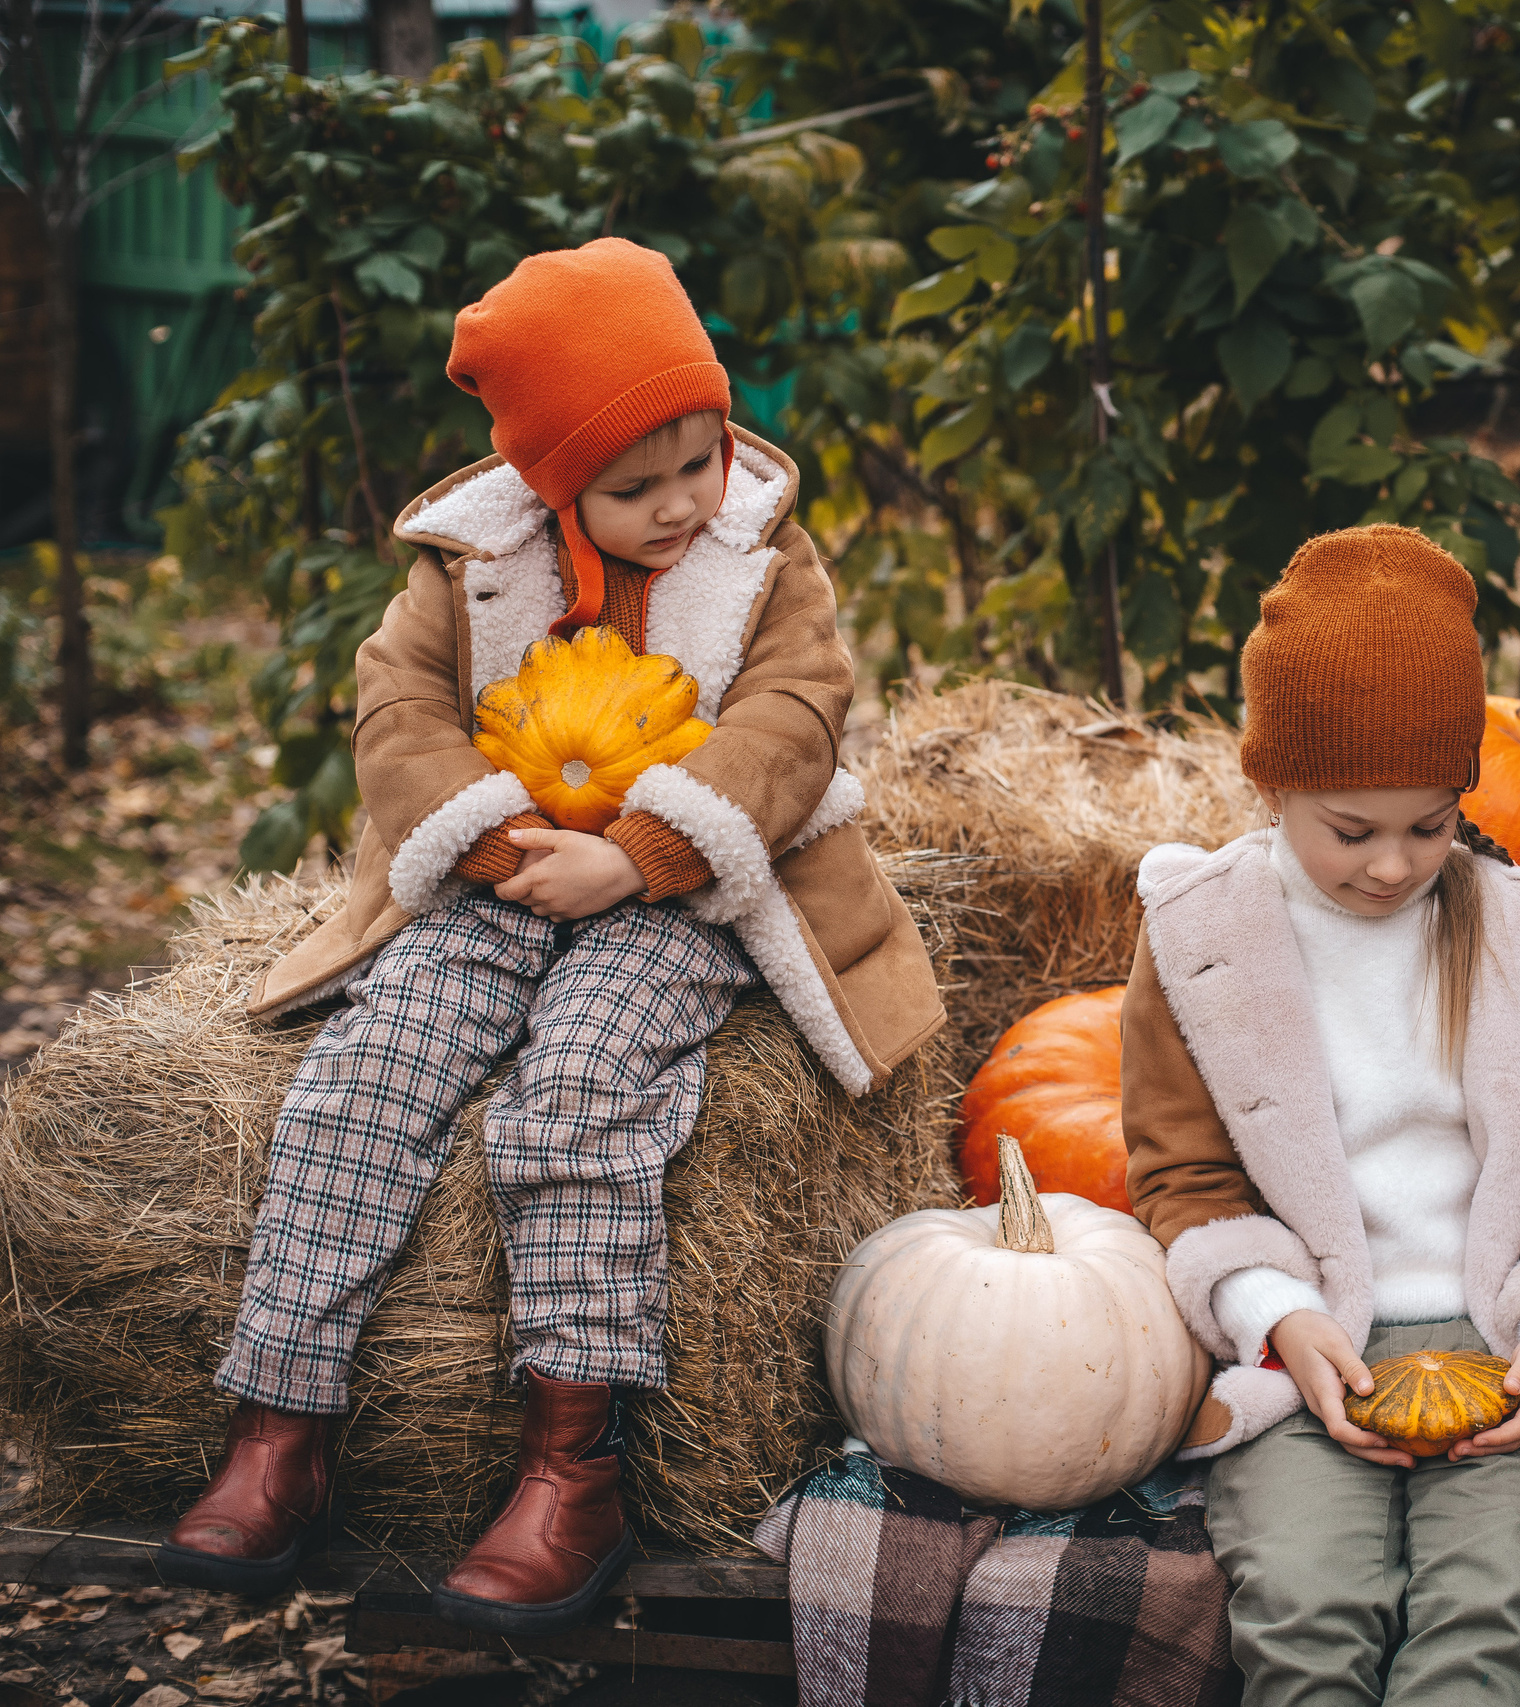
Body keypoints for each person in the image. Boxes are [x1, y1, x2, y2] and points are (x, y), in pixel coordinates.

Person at [157, 238, 944, 1633]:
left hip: (691, 890)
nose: (681, 503)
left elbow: (793, 719)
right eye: (635, 487)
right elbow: (397, 713)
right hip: (509, 869)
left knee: (579, 1081)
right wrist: (496, 840)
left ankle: (572, 1464)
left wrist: (642, 853)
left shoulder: (767, 558)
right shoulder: (469, 563)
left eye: (698, 460)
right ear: (545, 480)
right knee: (369, 1066)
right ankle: (281, 1421)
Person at [1117, 523, 1520, 1707]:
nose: (1394, 866)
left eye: (1430, 824)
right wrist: (1278, 1320)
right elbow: (1185, 1174)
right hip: (1312, 1333)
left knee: (1493, 1603)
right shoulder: (1198, 941)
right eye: (1350, 831)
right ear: (1270, 785)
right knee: (1305, 1602)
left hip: (1499, 1334)